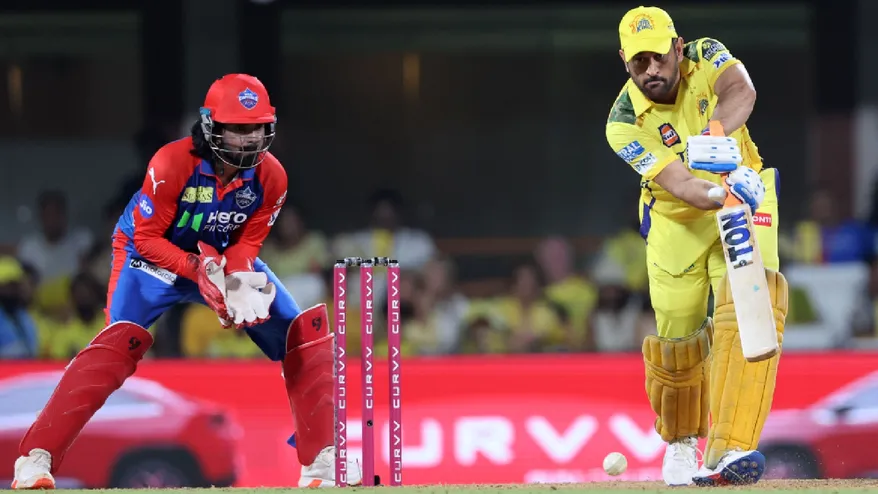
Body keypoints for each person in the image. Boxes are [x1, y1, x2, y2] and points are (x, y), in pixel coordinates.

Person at [11, 74, 359, 489]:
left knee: (301, 335)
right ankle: (35, 458)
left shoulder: (273, 178)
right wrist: (200, 272)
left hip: (222, 258)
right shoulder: (172, 162)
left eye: (257, 129)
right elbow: (145, 237)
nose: (249, 141)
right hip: (151, 258)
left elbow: (248, 242)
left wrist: (234, 281)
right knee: (119, 343)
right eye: (238, 129)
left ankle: (321, 463)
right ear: (211, 126)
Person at [605, 6, 787, 487]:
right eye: (639, 62)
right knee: (678, 347)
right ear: (624, 61)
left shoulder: (706, 54)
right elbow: (683, 184)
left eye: (659, 58)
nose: (652, 71)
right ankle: (682, 444)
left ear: (677, 47)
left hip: (746, 197)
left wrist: (717, 137)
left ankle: (730, 448)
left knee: (752, 304)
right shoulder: (622, 122)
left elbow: (740, 90)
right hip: (677, 221)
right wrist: (718, 192)